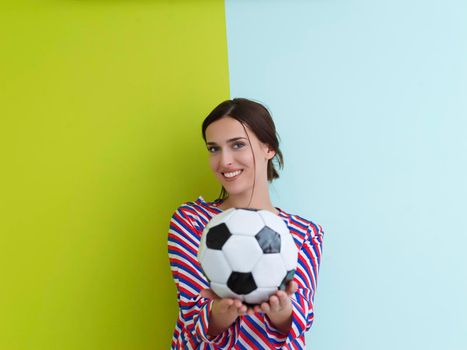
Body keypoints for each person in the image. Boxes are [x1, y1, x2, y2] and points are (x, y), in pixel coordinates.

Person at [167, 98, 325, 349]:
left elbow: (300, 319)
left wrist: (282, 310)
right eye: (214, 149)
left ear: (269, 148)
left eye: (237, 145)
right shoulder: (192, 221)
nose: (224, 161)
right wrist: (220, 312)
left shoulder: (305, 233)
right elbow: (192, 314)